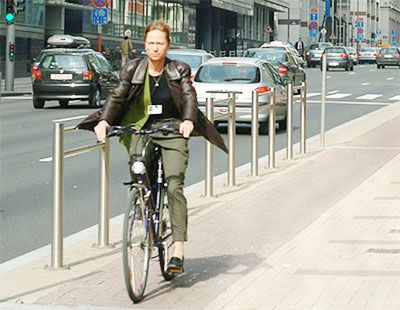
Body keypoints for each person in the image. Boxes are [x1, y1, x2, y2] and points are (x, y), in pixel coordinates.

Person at [77, 20, 227, 274]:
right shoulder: (133, 69)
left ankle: (177, 248)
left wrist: (189, 120)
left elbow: (189, 96)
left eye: (159, 43)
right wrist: (104, 121)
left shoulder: (178, 69)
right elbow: (118, 96)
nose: (155, 48)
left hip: (171, 129)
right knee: (139, 172)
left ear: (167, 46)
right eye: (150, 43)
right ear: (144, 46)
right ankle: (143, 204)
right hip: (140, 127)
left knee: (174, 183)